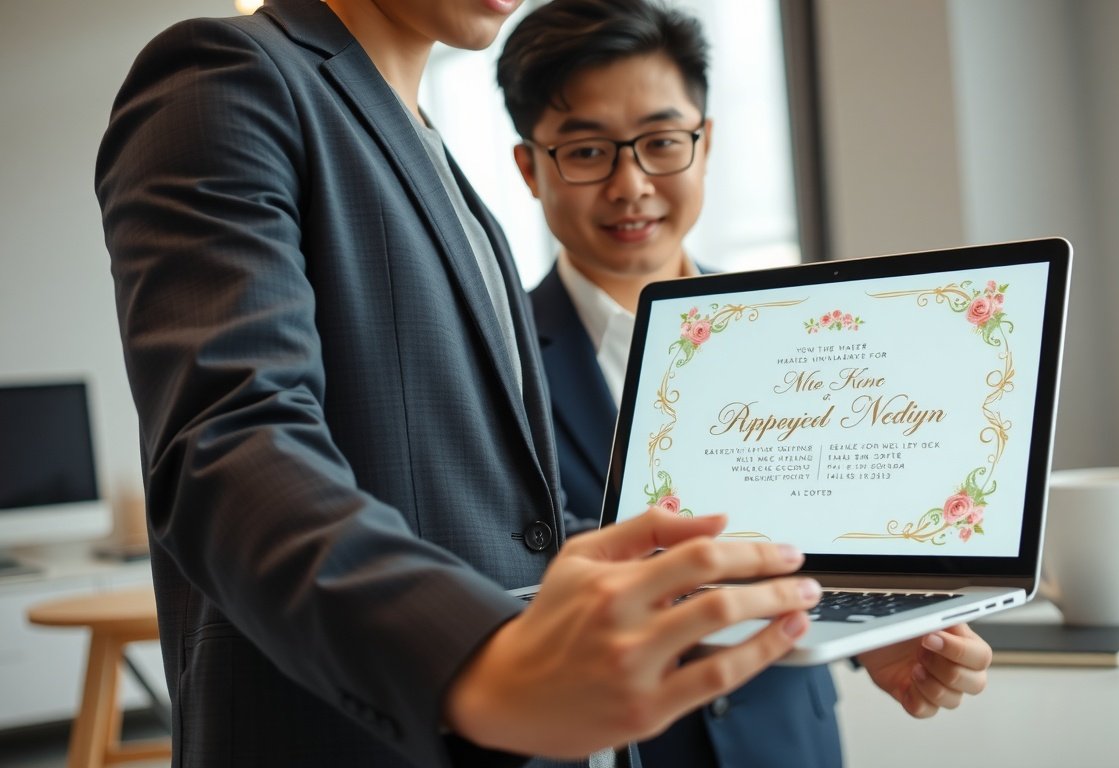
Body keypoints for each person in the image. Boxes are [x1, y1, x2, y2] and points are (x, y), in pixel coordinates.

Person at [94, 0, 830, 766]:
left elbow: (511, 526)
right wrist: (476, 657)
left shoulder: (445, 172)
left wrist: (805, 613)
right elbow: (230, 447)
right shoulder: (225, 75)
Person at [497, 2, 993, 767]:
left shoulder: (797, 337)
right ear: (530, 168)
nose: (631, 185)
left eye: (661, 142)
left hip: (792, 744)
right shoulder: (496, 361)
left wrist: (879, 639)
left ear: (705, 143)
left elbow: (837, 530)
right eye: (588, 151)